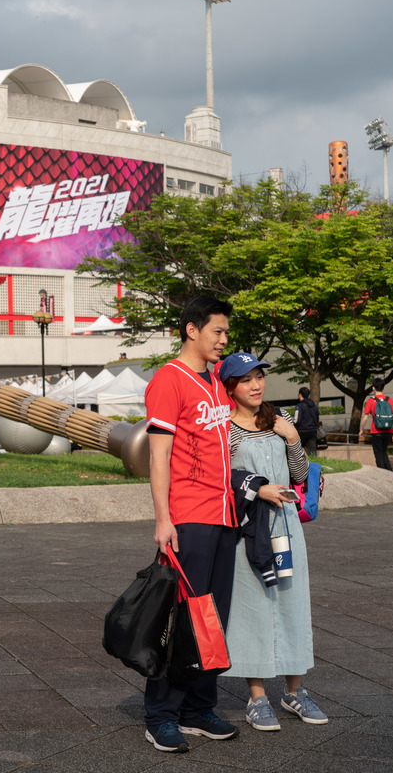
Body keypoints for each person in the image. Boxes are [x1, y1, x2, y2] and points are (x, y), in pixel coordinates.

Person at [142, 295, 240, 753]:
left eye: (225, 332)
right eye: (217, 331)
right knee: (181, 619)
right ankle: (161, 714)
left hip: (225, 516)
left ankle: (199, 707)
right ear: (191, 330)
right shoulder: (168, 380)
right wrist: (163, 519)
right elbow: (158, 455)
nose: (224, 340)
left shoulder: (219, 380)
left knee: (214, 619)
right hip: (189, 517)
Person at [220, 354, 328, 732]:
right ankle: (257, 696)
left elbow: (299, 474)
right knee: (254, 605)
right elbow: (221, 480)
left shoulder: (279, 422)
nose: (256, 385)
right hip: (248, 529)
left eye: (259, 377)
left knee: (291, 600)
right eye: (246, 379)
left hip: (286, 526)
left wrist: (294, 437)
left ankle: (295, 691)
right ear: (230, 387)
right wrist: (255, 487)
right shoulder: (225, 430)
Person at [359, 378, 393, 471]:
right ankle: (389, 472)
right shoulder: (389, 400)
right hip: (389, 431)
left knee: (378, 454)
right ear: (383, 388)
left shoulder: (370, 401)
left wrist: (361, 429)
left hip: (376, 431)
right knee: (383, 452)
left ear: (373, 388)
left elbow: (365, 417)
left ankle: (384, 474)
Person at [294, 387, 321, 456]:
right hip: (313, 431)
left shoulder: (299, 406)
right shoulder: (314, 406)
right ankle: (315, 464)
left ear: (300, 395)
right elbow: (317, 419)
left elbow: (296, 421)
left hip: (302, 432)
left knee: (296, 450)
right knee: (312, 452)